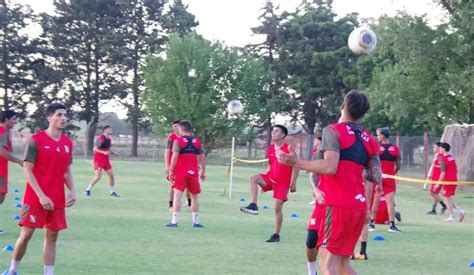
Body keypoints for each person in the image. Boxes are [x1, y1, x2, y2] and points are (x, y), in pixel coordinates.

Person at [277, 90, 381, 275]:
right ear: (363, 114)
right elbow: (375, 177)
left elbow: (330, 167)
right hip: (357, 205)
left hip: (338, 204)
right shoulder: (370, 140)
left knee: (328, 265)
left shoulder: (333, 131)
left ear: (343, 106)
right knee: (343, 266)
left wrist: (295, 162)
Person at [3, 103, 76, 275]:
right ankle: (13, 270)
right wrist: (42, 196)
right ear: (49, 118)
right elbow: (27, 169)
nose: (63, 118)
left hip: (57, 198)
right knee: (26, 235)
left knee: (52, 237)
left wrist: (72, 190)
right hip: (35, 197)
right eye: (59, 115)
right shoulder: (36, 140)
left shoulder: (67, 143)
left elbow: (66, 171)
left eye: (65, 115)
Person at [240, 125, 299, 243]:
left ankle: (276, 235)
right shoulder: (271, 148)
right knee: (253, 178)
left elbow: (296, 166)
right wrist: (264, 182)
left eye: (276, 131)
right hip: (271, 178)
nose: (273, 133)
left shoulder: (289, 149)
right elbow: (271, 164)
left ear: (283, 135)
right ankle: (253, 205)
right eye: (273, 131)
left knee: (277, 208)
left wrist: (293, 183)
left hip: (283, 183)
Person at [165, 120, 206, 228]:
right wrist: (203, 172)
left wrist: (171, 170)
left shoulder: (178, 141)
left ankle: (174, 222)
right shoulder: (197, 141)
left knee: (177, 196)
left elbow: (174, 157)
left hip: (181, 172)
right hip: (193, 173)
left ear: (181, 129)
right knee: (194, 197)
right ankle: (196, 222)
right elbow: (202, 158)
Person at [369, 127, 401, 233]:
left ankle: (372, 224)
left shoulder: (377, 147)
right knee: (390, 202)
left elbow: (372, 163)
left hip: (379, 177)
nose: (377, 137)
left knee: (376, 200)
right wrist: (392, 174)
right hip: (390, 178)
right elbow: (398, 165)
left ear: (382, 135)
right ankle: (392, 225)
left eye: (378, 135)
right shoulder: (395, 148)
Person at [0, 110, 23, 234]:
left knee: (2, 195)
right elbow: (2, 152)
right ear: (7, 119)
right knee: (1, 195)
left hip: (2, 170)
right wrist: (18, 161)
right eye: (13, 118)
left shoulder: (6, 133)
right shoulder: (2, 132)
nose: (15, 121)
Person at [84, 125, 119, 197]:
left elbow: (108, 148)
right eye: (109, 129)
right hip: (99, 160)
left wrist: (113, 152)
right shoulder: (100, 138)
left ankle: (112, 192)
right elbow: (95, 149)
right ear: (105, 130)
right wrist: (103, 152)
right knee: (98, 177)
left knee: (111, 175)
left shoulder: (109, 139)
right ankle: (87, 190)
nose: (111, 130)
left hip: (106, 160)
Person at [164, 120, 191, 211]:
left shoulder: (186, 138)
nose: (174, 128)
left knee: (188, 185)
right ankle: (171, 205)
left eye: (176, 126)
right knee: (173, 185)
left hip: (185, 165)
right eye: (173, 126)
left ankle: (189, 203)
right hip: (174, 165)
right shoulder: (171, 138)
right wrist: (167, 165)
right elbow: (167, 152)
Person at [438, 143, 464, 222]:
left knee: (446, 198)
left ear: (443, 149)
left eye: (440, 148)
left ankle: (452, 216)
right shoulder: (451, 158)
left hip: (448, 181)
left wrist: (438, 183)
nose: (440, 150)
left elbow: (443, 173)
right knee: (448, 198)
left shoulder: (444, 159)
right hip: (453, 180)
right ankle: (459, 211)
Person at [426, 141, 447, 215]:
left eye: (435, 147)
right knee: (435, 193)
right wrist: (431, 174)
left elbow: (442, 167)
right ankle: (434, 210)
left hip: (438, 177)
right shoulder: (437, 155)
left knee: (432, 192)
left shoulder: (440, 156)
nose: (433, 148)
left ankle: (444, 205)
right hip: (434, 176)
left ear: (439, 147)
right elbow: (435, 166)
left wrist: (439, 178)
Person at [309, 135, 322, 205]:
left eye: (315, 140)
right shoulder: (315, 150)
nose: (314, 142)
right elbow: (313, 160)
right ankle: (314, 198)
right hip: (315, 170)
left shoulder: (322, 150)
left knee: (318, 184)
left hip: (320, 171)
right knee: (314, 184)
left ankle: (317, 198)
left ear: (320, 141)